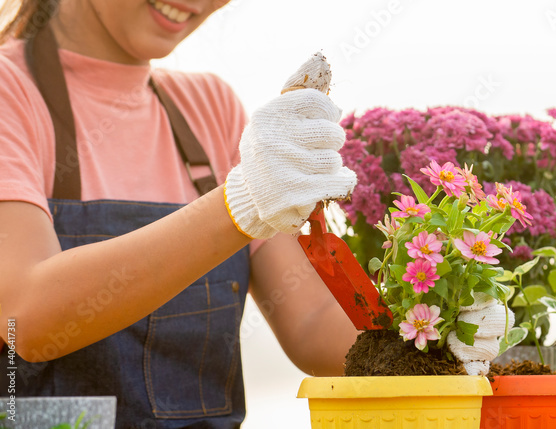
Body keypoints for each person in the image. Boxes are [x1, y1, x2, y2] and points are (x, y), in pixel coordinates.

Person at [0, 0, 361, 427]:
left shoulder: (210, 107)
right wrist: (239, 205)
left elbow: (312, 324)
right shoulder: (11, 91)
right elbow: (24, 319)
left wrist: (437, 324)